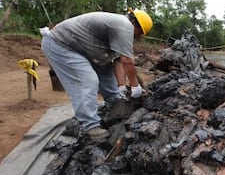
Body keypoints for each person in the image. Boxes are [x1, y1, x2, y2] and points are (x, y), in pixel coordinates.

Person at [40, 8, 153, 141]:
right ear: (137, 25)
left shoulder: (118, 27)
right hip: (60, 44)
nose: (137, 37)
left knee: (106, 73)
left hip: (84, 49)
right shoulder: (124, 25)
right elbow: (127, 61)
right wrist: (135, 86)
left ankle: (115, 106)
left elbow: (117, 61)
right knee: (87, 80)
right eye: (139, 34)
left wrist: (122, 86)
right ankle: (90, 126)